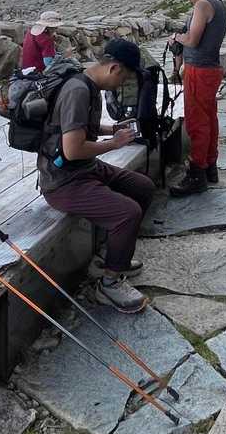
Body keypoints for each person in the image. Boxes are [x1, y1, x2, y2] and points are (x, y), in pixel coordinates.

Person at [37, 38, 152, 313]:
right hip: (63, 181)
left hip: (85, 168)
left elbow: (78, 126)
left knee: (143, 187)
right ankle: (109, 285)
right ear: (114, 68)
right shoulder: (77, 90)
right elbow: (72, 149)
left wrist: (112, 130)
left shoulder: (89, 84)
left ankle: (110, 258)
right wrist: (114, 144)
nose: (122, 84)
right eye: (124, 78)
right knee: (128, 213)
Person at [166, 0, 226, 196]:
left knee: (196, 122)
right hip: (212, 68)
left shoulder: (202, 5)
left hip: (199, 71)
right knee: (209, 119)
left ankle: (196, 174)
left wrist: (176, 37)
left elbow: (192, 40)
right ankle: (210, 167)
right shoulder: (219, 3)